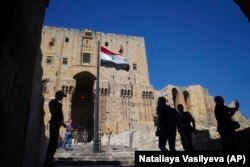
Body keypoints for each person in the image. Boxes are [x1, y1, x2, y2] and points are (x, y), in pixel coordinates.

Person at [44, 90, 67, 167]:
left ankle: (50, 159)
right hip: (54, 124)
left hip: (57, 124)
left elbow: (58, 115)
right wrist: (58, 106)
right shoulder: (53, 102)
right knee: (52, 143)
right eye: (61, 96)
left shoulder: (58, 103)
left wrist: (62, 123)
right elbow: (53, 112)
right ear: (57, 95)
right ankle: (48, 161)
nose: (62, 98)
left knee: (54, 143)